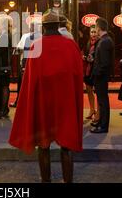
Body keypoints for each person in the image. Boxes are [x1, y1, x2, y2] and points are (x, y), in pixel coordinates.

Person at [9, 10, 84, 183]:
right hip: (65, 103)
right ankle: (68, 180)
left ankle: (46, 180)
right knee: (67, 146)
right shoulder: (71, 45)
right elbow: (77, 75)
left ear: (43, 27)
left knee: (43, 145)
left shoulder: (37, 45)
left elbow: (30, 80)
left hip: (44, 103)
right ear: (59, 26)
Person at [90, 17, 115, 134]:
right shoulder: (105, 40)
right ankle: (101, 123)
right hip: (101, 76)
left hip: (101, 77)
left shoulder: (105, 41)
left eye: (95, 26)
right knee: (101, 102)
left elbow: (105, 63)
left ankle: (104, 126)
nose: (95, 29)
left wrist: (97, 74)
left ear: (99, 27)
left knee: (103, 102)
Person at [0, 13, 13, 119]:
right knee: (4, 86)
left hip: (3, 66)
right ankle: (3, 109)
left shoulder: (4, 36)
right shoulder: (6, 35)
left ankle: (4, 109)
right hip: (5, 65)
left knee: (4, 87)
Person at [82, 25, 98, 121]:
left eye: (95, 32)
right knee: (89, 90)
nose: (93, 34)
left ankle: (98, 112)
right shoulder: (88, 43)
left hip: (96, 70)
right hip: (88, 70)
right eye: (91, 32)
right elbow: (85, 53)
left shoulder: (100, 43)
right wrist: (84, 57)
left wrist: (93, 59)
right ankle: (92, 109)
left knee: (98, 92)